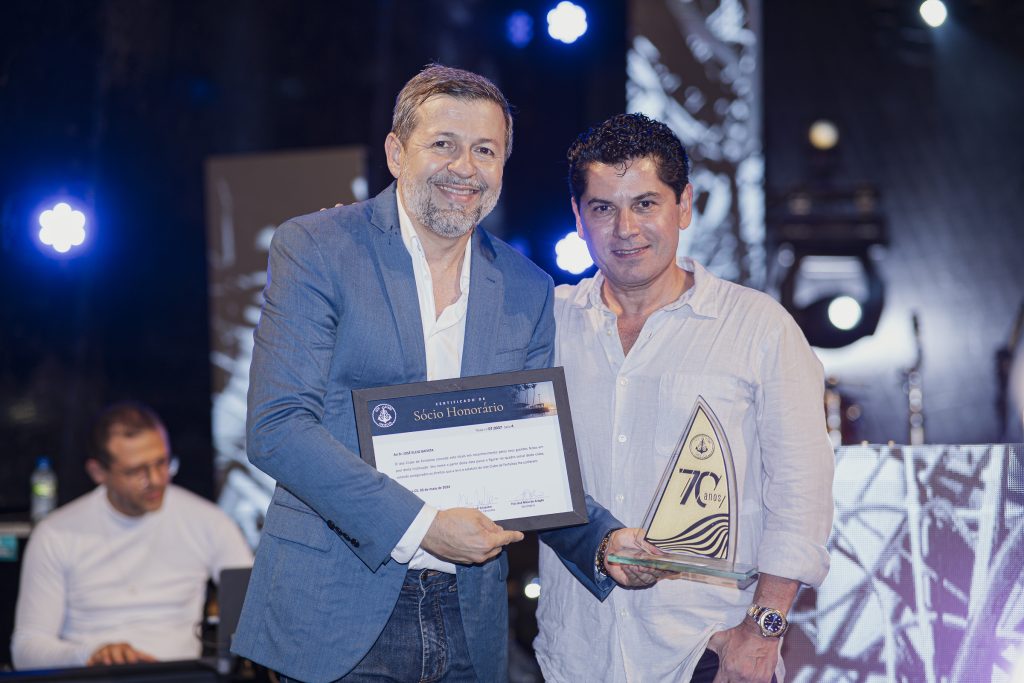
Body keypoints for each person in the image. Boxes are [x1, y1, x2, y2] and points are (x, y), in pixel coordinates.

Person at [232, 64, 660, 683]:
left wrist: (602, 541)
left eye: (485, 150)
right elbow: (278, 428)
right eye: (443, 144)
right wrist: (423, 526)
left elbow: (529, 461)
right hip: (333, 610)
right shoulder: (318, 248)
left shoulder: (526, 286)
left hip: (469, 618)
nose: (466, 167)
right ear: (396, 152)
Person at [534, 113, 836, 683]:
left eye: (645, 203)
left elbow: (802, 489)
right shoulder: (547, 324)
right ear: (577, 217)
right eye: (603, 208)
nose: (625, 229)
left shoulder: (757, 326)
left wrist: (764, 630)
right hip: (577, 654)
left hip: (711, 651)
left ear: (685, 205)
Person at [11, 402, 253, 670]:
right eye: (135, 471)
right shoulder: (55, 534)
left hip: (180, 676)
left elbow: (255, 609)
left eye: (162, 463)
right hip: (91, 677)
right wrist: (91, 655)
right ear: (98, 472)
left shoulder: (210, 522)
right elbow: (26, 650)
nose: (156, 480)